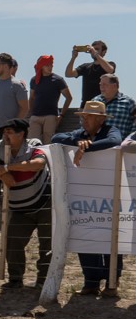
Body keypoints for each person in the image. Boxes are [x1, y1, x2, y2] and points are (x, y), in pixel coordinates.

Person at [50, 99, 123, 295]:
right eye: (83, 116)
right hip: (86, 194)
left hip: (109, 194)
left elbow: (115, 142)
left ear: (101, 119)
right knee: (87, 232)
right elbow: (56, 137)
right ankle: (90, 282)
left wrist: (87, 147)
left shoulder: (111, 130)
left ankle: (111, 284)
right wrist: (77, 143)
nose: (84, 120)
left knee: (111, 238)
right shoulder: (79, 134)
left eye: (89, 116)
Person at [0, 119, 51, 289]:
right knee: (12, 242)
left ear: (21, 134)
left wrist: (8, 167)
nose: (5, 135)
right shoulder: (0, 146)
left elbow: (39, 163)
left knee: (47, 244)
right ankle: (15, 279)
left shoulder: (33, 144)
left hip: (44, 203)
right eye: (4, 131)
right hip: (19, 207)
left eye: (9, 131)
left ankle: (43, 281)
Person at [27, 54, 72, 142]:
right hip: (35, 116)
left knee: (48, 142)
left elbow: (69, 97)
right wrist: (31, 113)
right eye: (47, 65)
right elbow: (31, 98)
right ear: (41, 66)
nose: (50, 67)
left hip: (50, 115)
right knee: (32, 142)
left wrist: (61, 115)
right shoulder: (34, 80)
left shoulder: (58, 80)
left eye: (51, 65)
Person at [66, 40, 114, 109]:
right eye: (93, 49)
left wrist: (96, 54)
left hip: (103, 106)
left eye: (97, 49)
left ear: (104, 52)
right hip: (85, 106)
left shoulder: (110, 64)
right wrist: (73, 58)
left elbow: (110, 70)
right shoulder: (85, 67)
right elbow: (68, 74)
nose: (93, 51)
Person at [99, 73, 134, 138]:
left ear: (114, 86)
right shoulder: (95, 101)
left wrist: (129, 141)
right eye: (100, 85)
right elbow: (85, 121)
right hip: (96, 144)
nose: (101, 87)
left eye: (104, 84)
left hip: (120, 145)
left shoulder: (129, 102)